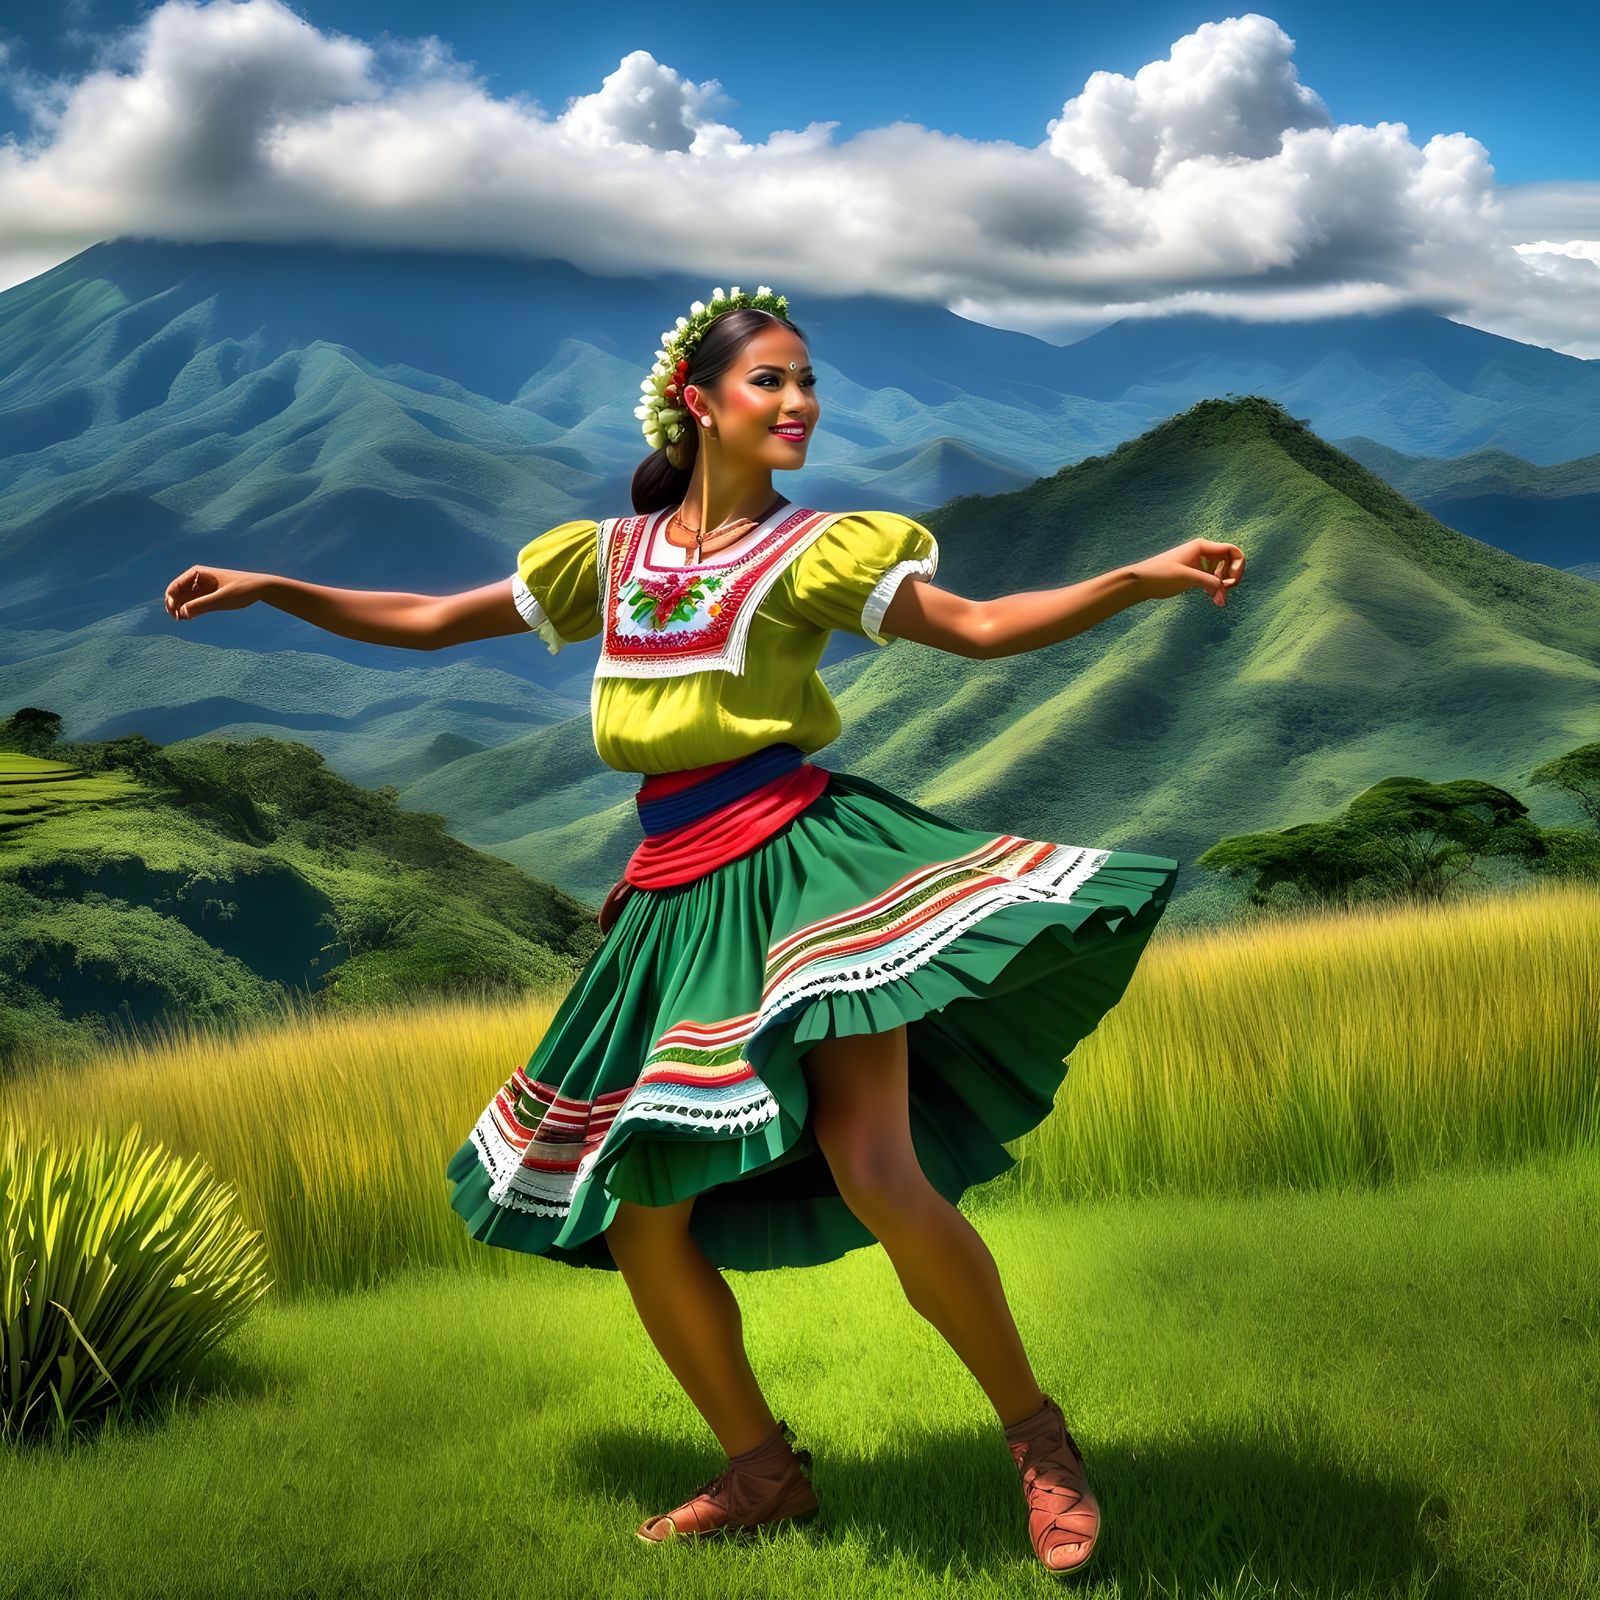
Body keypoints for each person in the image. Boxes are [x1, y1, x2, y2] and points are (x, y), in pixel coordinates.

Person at [163, 284, 1245, 1575]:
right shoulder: (603, 562)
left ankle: (1039, 1442)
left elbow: (973, 628)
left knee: (877, 1167)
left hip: (801, 877)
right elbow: (434, 621)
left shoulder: (818, 551)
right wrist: (271, 587)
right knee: (638, 1219)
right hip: (671, 901)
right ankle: (762, 1470)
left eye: (806, 382)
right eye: (772, 383)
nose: (802, 405)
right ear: (700, 403)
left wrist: (1139, 577)